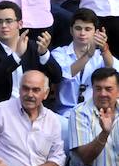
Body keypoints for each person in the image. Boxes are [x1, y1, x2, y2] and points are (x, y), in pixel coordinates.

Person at [0, 1, 62, 113]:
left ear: (20, 24)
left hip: (36, 111)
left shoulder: (34, 47)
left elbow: (57, 76)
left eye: (9, 21)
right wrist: (16, 56)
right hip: (3, 113)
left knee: (65, 127)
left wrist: (44, 54)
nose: (4, 26)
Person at [51, 9, 118, 139]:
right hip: (65, 115)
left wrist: (104, 49)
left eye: (88, 29)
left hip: (95, 114)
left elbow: (114, 70)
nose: (82, 33)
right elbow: (66, 74)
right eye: (78, 28)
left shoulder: (101, 56)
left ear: (96, 32)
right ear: (71, 30)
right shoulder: (59, 53)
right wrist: (88, 54)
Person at [67, 67, 119, 166]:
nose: (103, 94)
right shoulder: (79, 113)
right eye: (98, 89)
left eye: (108, 89)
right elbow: (86, 158)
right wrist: (104, 133)